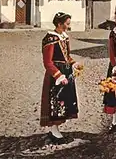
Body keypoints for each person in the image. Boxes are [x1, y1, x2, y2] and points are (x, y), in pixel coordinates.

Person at [40, 12, 80, 144]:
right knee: (55, 103)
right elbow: (48, 62)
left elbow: (66, 56)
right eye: (67, 24)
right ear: (59, 24)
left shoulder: (64, 37)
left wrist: (74, 64)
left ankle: (56, 129)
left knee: (64, 101)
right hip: (56, 75)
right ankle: (53, 130)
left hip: (66, 72)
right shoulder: (50, 39)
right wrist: (58, 75)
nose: (68, 26)